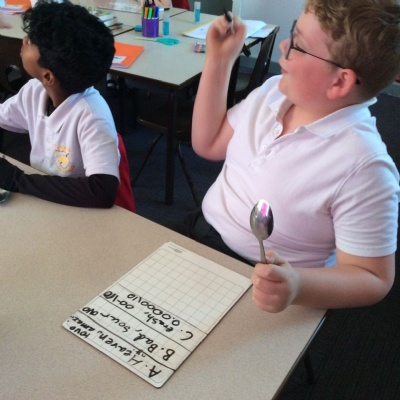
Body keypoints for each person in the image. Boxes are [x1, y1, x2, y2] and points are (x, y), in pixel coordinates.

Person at [187, 0, 400, 313]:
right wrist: (219, 59)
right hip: (199, 233)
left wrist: (297, 285)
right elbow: (209, 143)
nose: (284, 46)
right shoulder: (273, 91)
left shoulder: (365, 167)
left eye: (298, 45)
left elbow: (372, 277)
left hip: (267, 281)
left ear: (340, 81)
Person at [0, 0, 125, 209]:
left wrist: (17, 180)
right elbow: (4, 115)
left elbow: (103, 190)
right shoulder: (35, 90)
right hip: (46, 201)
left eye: (31, 41)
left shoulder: (91, 114)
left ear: (48, 76)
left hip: (82, 210)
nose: (24, 40)